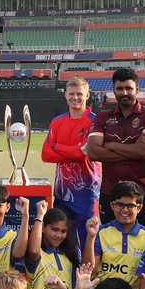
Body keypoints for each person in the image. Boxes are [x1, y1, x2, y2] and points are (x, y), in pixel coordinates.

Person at [87, 67, 145, 230]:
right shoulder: (103, 117)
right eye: (120, 88)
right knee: (110, 241)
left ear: (137, 89)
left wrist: (111, 145)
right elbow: (92, 152)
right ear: (114, 90)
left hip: (143, 193)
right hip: (110, 193)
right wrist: (135, 149)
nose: (124, 92)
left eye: (129, 88)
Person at [41, 77, 101, 258]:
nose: (75, 98)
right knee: (62, 241)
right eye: (71, 94)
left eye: (79, 94)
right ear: (65, 95)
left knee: (88, 239)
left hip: (87, 193)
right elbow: (45, 154)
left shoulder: (94, 122)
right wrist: (72, 151)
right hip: (62, 193)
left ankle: (88, 274)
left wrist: (57, 146)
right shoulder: (57, 122)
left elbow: (81, 153)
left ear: (87, 95)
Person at [81, 181, 145, 289]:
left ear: (139, 207)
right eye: (120, 205)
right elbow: (88, 272)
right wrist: (90, 237)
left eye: (130, 206)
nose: (125, 210)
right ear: (112, 205)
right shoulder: (100, 232)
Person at [24, 205, 77, 289]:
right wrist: (40, 216)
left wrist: (91, 237)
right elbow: (33, 251)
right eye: (54, 229)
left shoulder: (68, 257)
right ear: (43, 228)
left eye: (63, 231)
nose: (59, 235)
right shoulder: (38, 254)